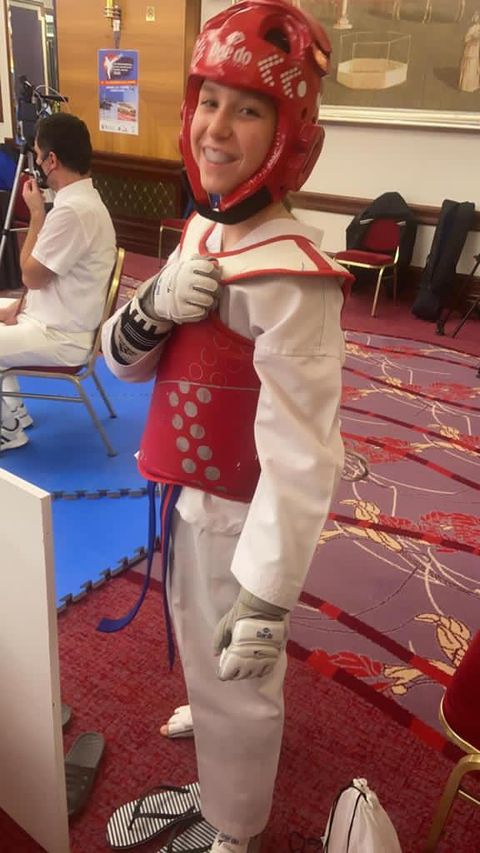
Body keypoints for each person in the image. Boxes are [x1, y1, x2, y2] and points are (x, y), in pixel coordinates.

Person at [102, 1, 351, 850]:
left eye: (248, 109)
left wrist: (268, 595)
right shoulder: (203, 230)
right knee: (195, 636)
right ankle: (211, 726)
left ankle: (236, 825)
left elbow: (305, 450)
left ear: (289, 136)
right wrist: (154, 303)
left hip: (240, 511)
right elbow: (122, 362)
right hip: (181, 490)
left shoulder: (292, 277)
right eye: (209, 101)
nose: (216, 126)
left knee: (239, 667)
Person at [0, 112, 116, 451]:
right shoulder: (84, 202)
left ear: (51, 161)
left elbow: (31, 276)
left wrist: (36, 215)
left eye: (38, 156)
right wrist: (19, 307)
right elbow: (48, 278)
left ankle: (8, 430)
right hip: (59, 319)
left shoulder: (72, 212)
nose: (36, 163)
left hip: (62, 336)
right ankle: (14, 411)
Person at [458, 10, 480, 92]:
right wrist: (472, 38)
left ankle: (473, 84)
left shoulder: (477, 27)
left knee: (474, 66)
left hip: (476, 49)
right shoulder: (472, 28)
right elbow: (466, 39)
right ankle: (466, 85)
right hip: (470, 48)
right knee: (469, 65)